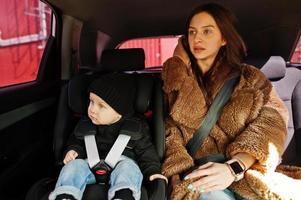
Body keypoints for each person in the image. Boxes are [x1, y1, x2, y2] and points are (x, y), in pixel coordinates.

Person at [161, 3, 301, 200]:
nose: (197, 38)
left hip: (248, 172)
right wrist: (179, 65)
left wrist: (234, 166)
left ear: (224, 38)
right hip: (202, 177)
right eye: (192, 32)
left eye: (207, 31)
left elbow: (272, 123)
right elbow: (170, 132)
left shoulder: (250, 78)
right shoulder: (174, 84)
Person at [49, 74, 167, 200]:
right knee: (73, 167)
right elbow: (76, 141)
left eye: (101, 106)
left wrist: (153, 171)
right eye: (91, 102)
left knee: (129, 168)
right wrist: (73, 151)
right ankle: (66, 195)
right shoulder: (85, 124)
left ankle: (123, 194)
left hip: (121, 167)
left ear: (119, 112)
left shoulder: (136, 128)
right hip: (88, 170)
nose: (92, 110)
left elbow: (146, 153)